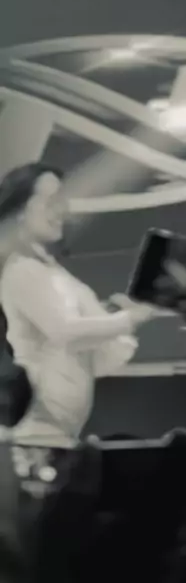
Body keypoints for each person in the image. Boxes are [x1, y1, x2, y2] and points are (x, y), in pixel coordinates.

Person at [0, 163, 158, 446]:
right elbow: (65, 331)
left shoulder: (56, 274)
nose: (61, 210)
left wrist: (114, 316)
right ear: (21, 210)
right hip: (33, 426)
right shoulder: (21, 269)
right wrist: (129, 319)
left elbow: (97, 354)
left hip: (60, 429)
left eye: (62, 201)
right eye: (50, 201)